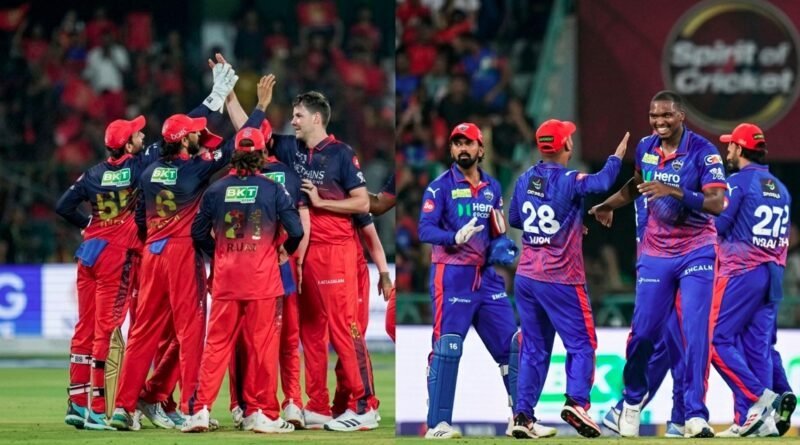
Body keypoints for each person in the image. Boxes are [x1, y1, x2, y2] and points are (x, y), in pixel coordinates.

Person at [109, 70, 272, 430]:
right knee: (191, 332)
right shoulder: (195, 169)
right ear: (185, 141)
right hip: (182, 254)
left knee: (142, 333)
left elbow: (140, 218)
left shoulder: (149, 171)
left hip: (152, 252)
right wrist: (260, 108)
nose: (201, 134)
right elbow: (238, 145)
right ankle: (190, 407)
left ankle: (123, 408)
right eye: (195, 132)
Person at [590, 90, 727, 438]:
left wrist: (675, 191)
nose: (659, 121)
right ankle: (632, 401)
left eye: (666, 115)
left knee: (695, 333)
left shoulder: (704, 152)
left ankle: (694, 414)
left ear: (681, 116)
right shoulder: (645, 148)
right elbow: (638, 185)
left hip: (697, 250)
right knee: (643, 334)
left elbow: (717, 203)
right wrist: (608, 204)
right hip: (655, 254)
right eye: (654, 116)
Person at [508, 120, 628, 438]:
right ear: (566, 145)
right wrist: (617, 157)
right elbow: (602, 182)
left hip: (527, 276)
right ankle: (577, 403)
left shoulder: (524, 179)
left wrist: (566, 224)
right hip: (560, 277)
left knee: (533, 349)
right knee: (583, 344)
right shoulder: (570, 179)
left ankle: (522, 416)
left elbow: (516, 218)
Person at [182, 126, 303, 433]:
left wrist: (219, 252)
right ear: (262, 154)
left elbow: (197, 233)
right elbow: (297, 230)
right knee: (263, 347)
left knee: (216, 346)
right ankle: (262, 413)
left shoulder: (215, 189)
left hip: (226, 278)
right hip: (262, 280)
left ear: (235, 154)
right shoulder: (274, 189)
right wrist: (284, 251)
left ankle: (200, 411)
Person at [417, 122, 518, 439]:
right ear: (451, 149)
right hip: (452, 275)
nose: (463, 148)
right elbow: (424, 229)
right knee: (448, 348)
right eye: (457, 143)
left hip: (486, 279)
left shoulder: (492, 188)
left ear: (480, 149)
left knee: (513, 347)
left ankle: (522, 418)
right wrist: (453, 236)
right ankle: (438, 424)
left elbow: (498, 230)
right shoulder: (439, 188)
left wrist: (502, 247)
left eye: (468, 143)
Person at [56, 115, 156, 430]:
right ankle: (98, 409)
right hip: (117, 256)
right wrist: (213, 101)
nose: (143, 136)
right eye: (137, 134)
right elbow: (172, 139)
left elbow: (63, 206)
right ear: (128, 146)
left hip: (89, 252)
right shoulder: (139, 166)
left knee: (84, 329)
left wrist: (89, 224)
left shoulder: (92, 174)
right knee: (105, 332)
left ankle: (77, 402)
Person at [709, 123, 791, 437]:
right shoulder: (781, 188)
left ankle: (758, 400)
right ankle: (757, 421)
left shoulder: (737, 183)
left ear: (740, 149)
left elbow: (718, 226)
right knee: (757, 348)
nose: (727, 150)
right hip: (774, 274)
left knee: (715, 340)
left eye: (730, 145)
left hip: (742, 272)